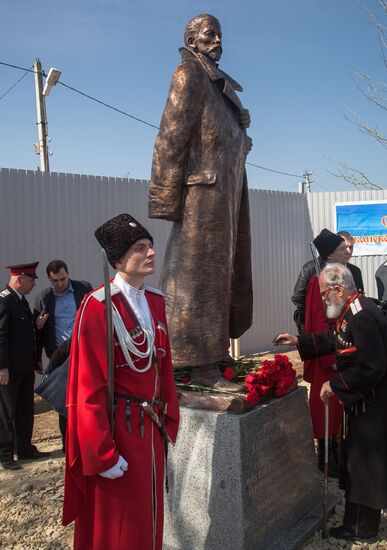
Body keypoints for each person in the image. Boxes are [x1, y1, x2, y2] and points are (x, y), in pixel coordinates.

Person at [62, 213, 180, 550]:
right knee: (123, 521)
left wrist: (169, 419)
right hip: (121, 429)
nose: (151, 253)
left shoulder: (156, 301)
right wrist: (102, 453)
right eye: (141, 248)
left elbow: (164, 366)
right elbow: (89, 387)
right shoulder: (97, 306)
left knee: (151, 515)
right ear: (118, 260)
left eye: (151, 246)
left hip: (151, 426)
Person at [149, 13, 253, 390]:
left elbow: (220, 139)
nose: (217, 39)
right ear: (192, 40)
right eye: (210, 33)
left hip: (226, 195)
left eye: (220, 33)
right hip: (202, 197)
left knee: (224, 276)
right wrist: (165, 199)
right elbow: (170, 136)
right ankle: (199, 363)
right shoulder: (189, 73)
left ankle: (215, 353)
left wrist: (240, 128)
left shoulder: (219, 85)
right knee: (198, 281)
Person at [275, 263, 387, 542]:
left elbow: (372, 366)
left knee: (363, 467)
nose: (323, 299)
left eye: (325, 294)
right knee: (357, 465)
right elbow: (336, 340)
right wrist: (299, 341)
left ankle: (362, 529)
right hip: (364, 403)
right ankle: (359, 524)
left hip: (372, 406)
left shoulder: (360, 315)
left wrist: (335, 385)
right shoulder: (352, 308)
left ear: (338, 289)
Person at [33, 260, 92, 449]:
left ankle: (87, 439)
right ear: (49, 279)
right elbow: (39, 333)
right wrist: (37, 356)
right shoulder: (44, 298)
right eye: (54, 281)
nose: (59, 284)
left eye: (62, 279)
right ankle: (68, 443)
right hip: (59, 356)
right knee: (64, 399)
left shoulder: (84, 288)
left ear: (68, 273)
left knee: (88, 396)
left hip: (85, 352)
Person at [0, 262, 50, 470]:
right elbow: (1, 336)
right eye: (31, 280)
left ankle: (24, 447)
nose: (33, 285)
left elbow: (24, 333)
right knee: (6, 412)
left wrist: (35, 358)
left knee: (24, 410)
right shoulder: (5, 301)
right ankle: (5, 454)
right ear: (19, 279)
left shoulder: (20, 301)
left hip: (25, 367)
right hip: (9, 370)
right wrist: (2, 367)